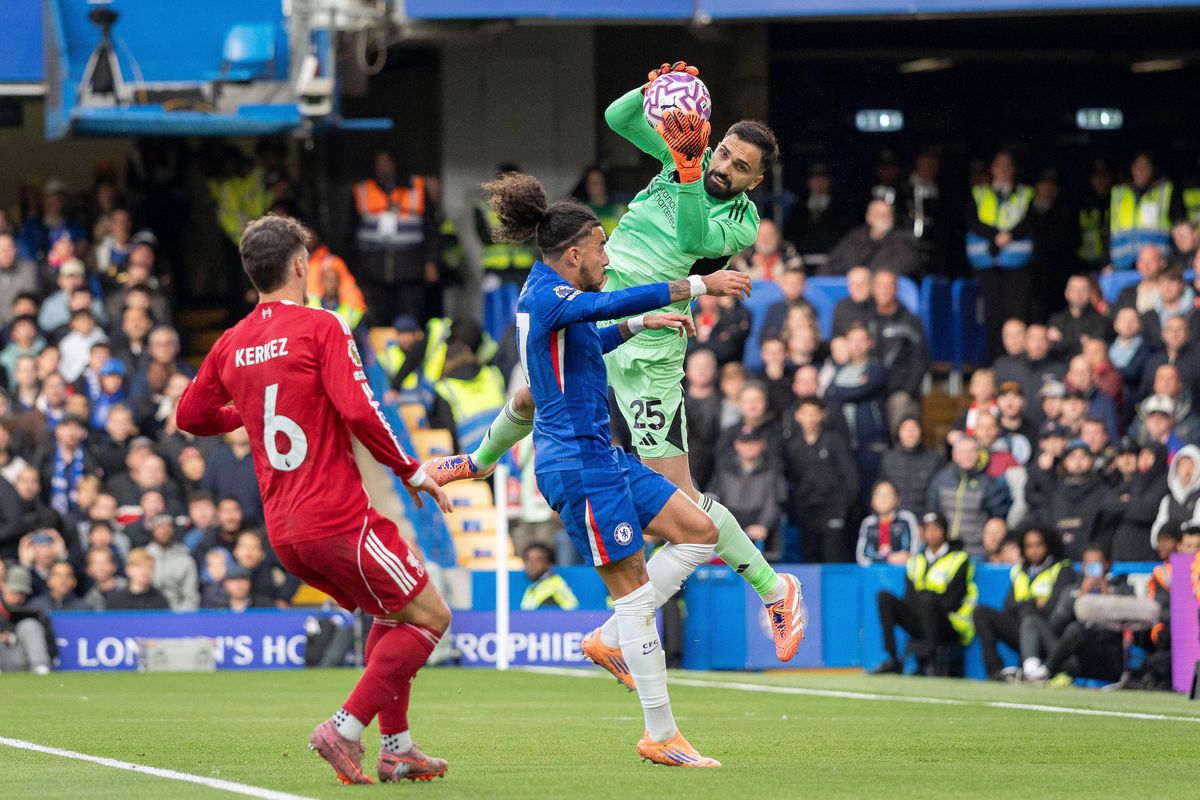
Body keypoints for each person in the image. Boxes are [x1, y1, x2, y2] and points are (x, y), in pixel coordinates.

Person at [422, 62, 805, 665]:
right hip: (599, 316)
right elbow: (617, 117)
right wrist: (653, 90)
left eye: (739, 167)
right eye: (723, 152)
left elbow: (689, 235)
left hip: (651, 350)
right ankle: (477, 461)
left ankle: (774, 588)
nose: (723, 167)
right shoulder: (678, 162)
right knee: (530, 397)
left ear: (754, 182)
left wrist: (683, 168)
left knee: (682, 502)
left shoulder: (740, 220)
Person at [475, 168, 755, 766]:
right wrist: (693, 286)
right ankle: (660, 733)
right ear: (574, 253)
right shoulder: (547, 296)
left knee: (700, 533)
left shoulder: (555, 298)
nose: (609, 253)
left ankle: (610, 638)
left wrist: (636, 325)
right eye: (602, 245)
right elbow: (609, 301)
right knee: (632, 595)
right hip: (577, 463)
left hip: (603, 456)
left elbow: (592, 336)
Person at [176, 214, 454, 784]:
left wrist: (247, 411)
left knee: (390, 610)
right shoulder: (321, 326)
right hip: (336, 518)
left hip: (285, 532)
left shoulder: (232, 342)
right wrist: (409, 469)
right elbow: (358, 409)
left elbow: (190, 415)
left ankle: (398, 748)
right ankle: (346, 727)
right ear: (302, 266)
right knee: (431, 617)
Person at [871, 512, 977, 676]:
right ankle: (892, 658)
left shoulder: (960, 559)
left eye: (936, 529)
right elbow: (908, 598)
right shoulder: (915, 561)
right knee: (884, 597)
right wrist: (925, 598)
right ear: (922, 533)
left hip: (949, 625)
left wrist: (926, 597)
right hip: (921, 620)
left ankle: (931, 661)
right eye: (928, 529)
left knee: (928, 600)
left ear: (945, 532)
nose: (932, 534)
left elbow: (952, 601)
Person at [973, 525, 1075, 681]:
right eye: (1028, 546)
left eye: (1038, 545)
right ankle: (994, 671)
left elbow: (1052, 609)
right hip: (1020, 627)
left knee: (1030, 618)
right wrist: (1033, 602)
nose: (1033, 550)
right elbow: (1008, 606)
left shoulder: (1062, 568)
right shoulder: (1020, 571)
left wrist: (1025, 606)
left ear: (1048, 544)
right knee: (981, 612)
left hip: (1047, 633)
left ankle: (1032, 671)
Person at [350, 151, 440, 326]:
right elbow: (351, 233)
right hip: (374, 271)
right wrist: (355, 268)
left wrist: (432, 262)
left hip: (410, 269)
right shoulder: (362, 191)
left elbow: (431, 230)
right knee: (379, 322)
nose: (383, 168)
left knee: (409, 321)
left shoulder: (417, 188)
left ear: (395, 164)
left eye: (386, 163)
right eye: (379, 163)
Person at [966, 151, 1035, 359]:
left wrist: (1010, 235)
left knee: (1015, 316)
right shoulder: (978, 193)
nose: (1003, 171)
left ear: (1013, 170)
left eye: (1008, 166)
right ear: (992, 169)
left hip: (1017, 266)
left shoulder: (1026, 193)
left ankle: (1017, 362)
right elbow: (971, 220)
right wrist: (996, 235)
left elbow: (1031, 220)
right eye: (999, 166)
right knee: (991, 317)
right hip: (987, 265)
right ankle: (993, 363)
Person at [784, 396, 858, 563]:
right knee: (810, 559)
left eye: (814, 413)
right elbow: (792, 479)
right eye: (805, 413)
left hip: (834, 510)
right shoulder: (793, 446)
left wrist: (843, 508)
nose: (810, 418)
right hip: (807, 513)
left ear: (822, 415)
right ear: (797, 416)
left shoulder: (835, 441)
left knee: (834, 558)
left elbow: (850, 477)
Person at [826, 323, 889, 506]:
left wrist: (844, 390)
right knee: (850, 494)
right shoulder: (839, 369)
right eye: (852, 340)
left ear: (870, 343)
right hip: (845, 443)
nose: (857, 345)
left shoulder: (876, 368)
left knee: (870, 493)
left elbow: (860, 391)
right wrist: (852, 389)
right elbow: (829, 394)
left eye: (862, 340)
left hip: (871, 443)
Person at [1029, 439, 1113, 561]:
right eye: (1073, 457)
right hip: (1058, 561)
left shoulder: (1103, 492)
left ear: (1092, 461)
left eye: (1083, 457)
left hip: (1090, 564)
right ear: (1065, 462)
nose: (1078, 462)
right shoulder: (1055, 491)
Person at [926, 438, 1011, 557]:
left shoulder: (988, 483)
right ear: (954, 455)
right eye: (962, 452)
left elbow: (998, 518)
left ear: (978, 454)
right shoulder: (941, 480)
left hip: (977, 552)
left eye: (972, 451)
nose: (967, 456)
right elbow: (931, 513)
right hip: (944, 552)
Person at [709, 427, 786, 558]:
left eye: (753, 442)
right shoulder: (724, 468)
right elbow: (713, 497)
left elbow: (774, 502)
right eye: (744, 443)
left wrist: (763, 525)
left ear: (762, 445)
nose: (749, 447)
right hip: (729, 522)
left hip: (759, 525)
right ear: (737, 445)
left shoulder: (772, 469)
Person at [868, 269, 928, 432]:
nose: (885, 290)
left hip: (899, 393)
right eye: (880, 285)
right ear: (872, 289)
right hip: (870, 391)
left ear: (896, 289)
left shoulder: (911, 321)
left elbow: (921, 359)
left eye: (889, 285)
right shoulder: (868, 319)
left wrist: (907, 391)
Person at [1109, 152, 1185, 271]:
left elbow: (1179, 229)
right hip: (1122, 266)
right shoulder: (1118, 193)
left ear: (1152, 169)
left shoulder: (1165, 192)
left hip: (1157, 265)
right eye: (1138, 166)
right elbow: (1106, 232)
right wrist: (1106, 263)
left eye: (1145, 166)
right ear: (1132, 168)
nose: (1141, 170)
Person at [821, 200, 920, 277]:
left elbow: (907, 265)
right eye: (879, 214)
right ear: (869, 217)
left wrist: (870, 278)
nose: (883, 218)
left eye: (887, 214)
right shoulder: (855, 237)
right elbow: (832, 263)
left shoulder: (903, 240)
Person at [783, 162, 852, 268]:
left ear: (829, 181)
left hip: (833, 264)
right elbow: (790, 234)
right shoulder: (799, 208)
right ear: (808, 182)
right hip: (802, 263)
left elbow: (846, 236)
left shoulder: (841, 207)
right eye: (815, 179)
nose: (819, 183)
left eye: (823, 179)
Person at [879, 416, 942, 519]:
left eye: (914, 428)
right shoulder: (888, 458)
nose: (910, 432)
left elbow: (936, 496)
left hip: (923, 519)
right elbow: (881, 490)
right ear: (899, 432)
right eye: (905, 428)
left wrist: (928, 520)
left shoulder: (934, 459)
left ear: (921, 432)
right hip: (893, 518)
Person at [855, 480, 919, 566]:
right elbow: (861, 557)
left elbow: (914, 553)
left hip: (902, 573)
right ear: (872, 501)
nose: (883, 499)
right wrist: (887, 559)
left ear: (897, 499)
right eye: (878, 494)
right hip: (874, 574)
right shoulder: (868, 523)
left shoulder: (906, 519)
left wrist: (905, 558)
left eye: (888, 494)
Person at [1151, 444, 1200, 550]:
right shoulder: (1168, 500)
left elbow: (1197, 524)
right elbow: (1158, 528)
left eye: (1191, 465)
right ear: (1176, 468)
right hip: (1172, 556)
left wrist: (1173, 534)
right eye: (1183, 465)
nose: (1187, 471)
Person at [1047, 275, 1109, 360]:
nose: (1078, 294)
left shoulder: (1100, 320)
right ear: (1066, 293)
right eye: (1074, 289)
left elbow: (1095, 349)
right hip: (1059, 365)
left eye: (1083, 290)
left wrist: (1062, 339)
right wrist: (1080, 341)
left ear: (1090, 293)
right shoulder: (1056, 319)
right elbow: (1052, 348)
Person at [731, 218, 802, 281]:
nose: (765, 240)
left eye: (769, 235)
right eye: (761, 235)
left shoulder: (790, 258)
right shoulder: (744, 261)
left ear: (778, 237)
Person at [759, 267, 816, 342]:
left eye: (797, 283)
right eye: (790, 282)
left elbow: (815, 337)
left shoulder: (810, 309)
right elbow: (763, 338)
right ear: (782, 285)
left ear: (804, 285)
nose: (793, 286)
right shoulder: (774, 309)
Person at [104, 548, 171, 610]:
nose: (145, 571)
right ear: (128, 570)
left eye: (149, 567)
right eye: (139, 566)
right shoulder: (115, 601)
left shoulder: (160, 600)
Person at [519, 542, 579, 610]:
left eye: (537, 560)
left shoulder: (552, 590)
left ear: (549, 564)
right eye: (528, 559)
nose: (531, 564)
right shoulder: (533, 587)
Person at [571, 165, 627, 237]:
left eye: (598, 182)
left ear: (605, 183)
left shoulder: (619, 208)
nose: (595, 186)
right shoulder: (582, 212)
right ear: (586, 186)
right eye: (592, 182)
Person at [1078, 160, 1112, 272]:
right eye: (1097, 177)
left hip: (1110, 263)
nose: (1100, 181)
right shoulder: (1083, 204)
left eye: (1104, 176)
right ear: (1091, 180)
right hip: (1086, 262)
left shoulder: (1116, 201)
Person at [831, 266, 874, 338]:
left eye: (862, 283)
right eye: (853, 284)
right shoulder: (841, 306)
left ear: (871, 285)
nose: (858, 287)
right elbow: (836, 336)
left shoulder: (880, 305)